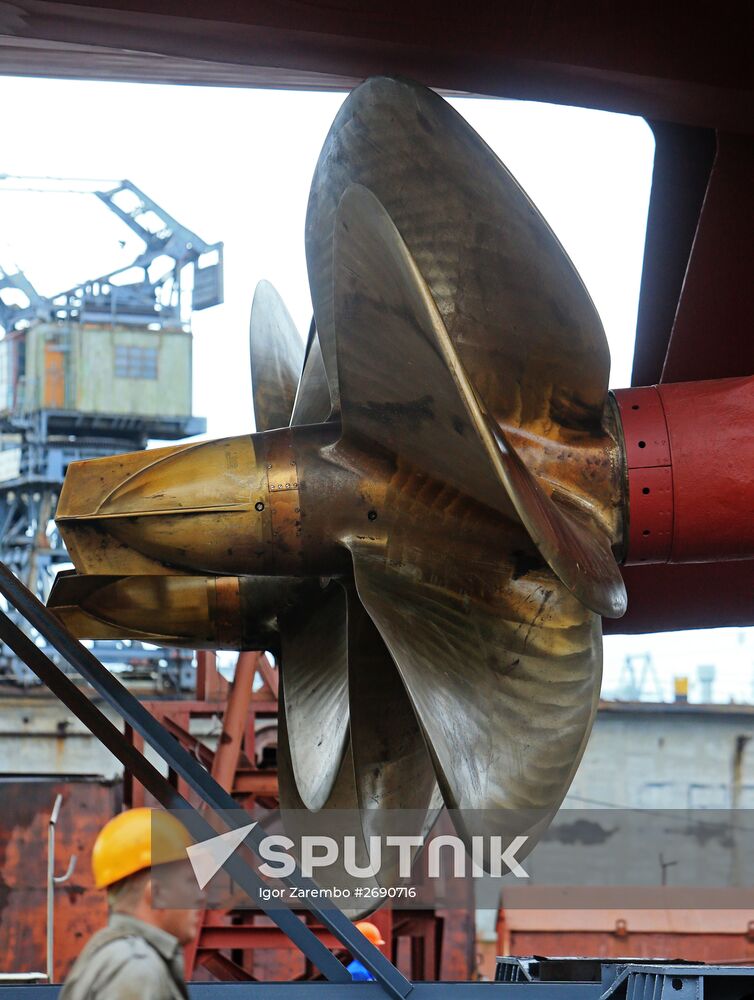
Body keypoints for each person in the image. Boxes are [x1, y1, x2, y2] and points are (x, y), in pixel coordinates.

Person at [61, 807, 202, 1000]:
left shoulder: (110, 955)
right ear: (157, 894)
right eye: (190, 882)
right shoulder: (137, 969)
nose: (200, 896)